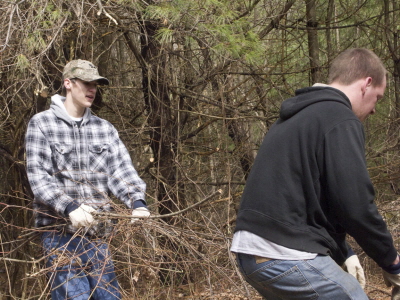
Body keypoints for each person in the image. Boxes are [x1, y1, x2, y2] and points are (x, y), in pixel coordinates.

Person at [231, 48, 400, 300]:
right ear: (366, 84)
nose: (375, 109)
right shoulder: (340, 118)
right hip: (283, 253)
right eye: (378, 97)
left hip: (253, 254)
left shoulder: (298, 117)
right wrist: (392, 262)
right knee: (353, 295)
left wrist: (343, 251)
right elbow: (355, 204)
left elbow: (313, 200)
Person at [25, 59, 150, 299]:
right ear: (68, 83)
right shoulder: (41, 125)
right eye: (87, 83)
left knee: (109, 297)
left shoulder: (105, 129)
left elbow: (120, 170)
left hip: (98, 237)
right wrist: (69, 207)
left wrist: (137, 202)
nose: (92, 89)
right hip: (59, 235)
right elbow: (38, 178)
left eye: (96, 84)